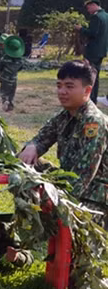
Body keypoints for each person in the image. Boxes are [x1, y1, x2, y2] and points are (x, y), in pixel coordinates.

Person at [18, 61, 108, 225]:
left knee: (61, 222)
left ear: (87, 90)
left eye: (69, 86)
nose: (62, 91)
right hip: (69, 183)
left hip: (94, 197)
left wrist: (56, 200)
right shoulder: (65, 116)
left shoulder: (93, 122)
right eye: (59, 86)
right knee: (24, 161)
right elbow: (43, 137)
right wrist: (33, 146)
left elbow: (83, 175)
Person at [74, 0, 108, 103]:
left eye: (88, 8)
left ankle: (90, 98)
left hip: (93, 50)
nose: (88, 10)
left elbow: (93, 33)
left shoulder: (96, 17)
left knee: (90, 74)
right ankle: (93, 97)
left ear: (94, 5)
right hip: (101, 49)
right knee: (96, 74)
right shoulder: (106, 16)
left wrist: (81, 29)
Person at [0, 35, 27, 112]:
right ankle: (10, 103)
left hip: (5, 77)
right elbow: (21, 68)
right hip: (13, 78)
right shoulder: (20, 60)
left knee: (4, 91)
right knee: (12, 91)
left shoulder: (5, 58)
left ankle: (5, 101)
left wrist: (0, 72)